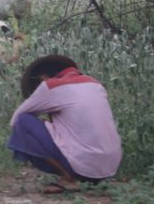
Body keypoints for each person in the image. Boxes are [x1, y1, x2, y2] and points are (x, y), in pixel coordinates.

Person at [8, 54, 122, 194]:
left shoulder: (50, 86)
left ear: (43, 78)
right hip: (109, 168)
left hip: (83, 168)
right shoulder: (95, 83)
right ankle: (85, 178)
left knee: (23, 121)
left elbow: (15, 120)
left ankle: (68, 178)